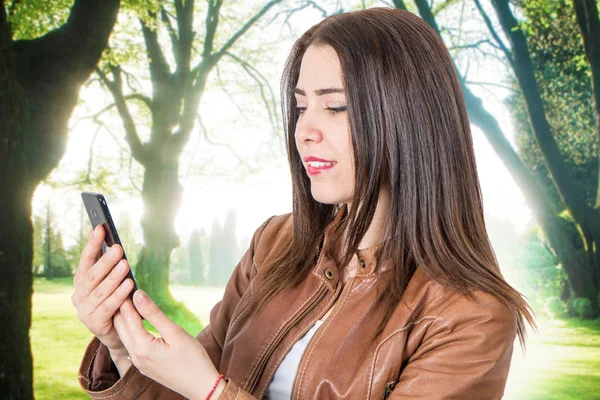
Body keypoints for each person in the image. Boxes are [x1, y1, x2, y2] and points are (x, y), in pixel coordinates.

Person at [73, 7, 535, 400]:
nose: (304, 130)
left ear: (406, 119)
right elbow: (189, 386)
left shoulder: (473, 316)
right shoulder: (274, 242)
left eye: (334, 107)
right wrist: (120, 346)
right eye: (300, 107)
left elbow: (204, 388)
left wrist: (213, 392)